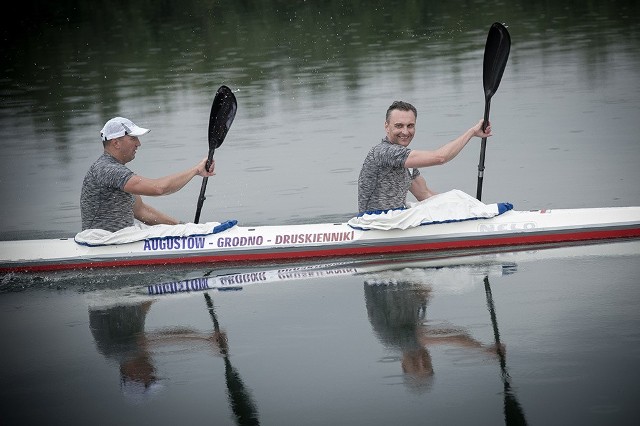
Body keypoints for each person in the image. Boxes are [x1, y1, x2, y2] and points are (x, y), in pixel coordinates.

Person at [81, 117, 216, 232]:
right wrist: (196, 170)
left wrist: (183, 227)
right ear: (116, 143)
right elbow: (159, 188)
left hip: (118, 242)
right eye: (133, 138)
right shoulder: (108, 169)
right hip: (102, 244)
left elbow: (142, 211)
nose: (138, 143)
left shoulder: (113, 169)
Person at [357, 101, 492, 213]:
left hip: (395, 221)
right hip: (375, 224)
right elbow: (440, 158)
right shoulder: (384, 152)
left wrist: (464, 207)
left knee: (456, 198)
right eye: (399, 126)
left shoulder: (406, 162)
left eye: (410, 126)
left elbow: (424, 194)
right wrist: (472, 132)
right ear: (386, 126)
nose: (405, 132)